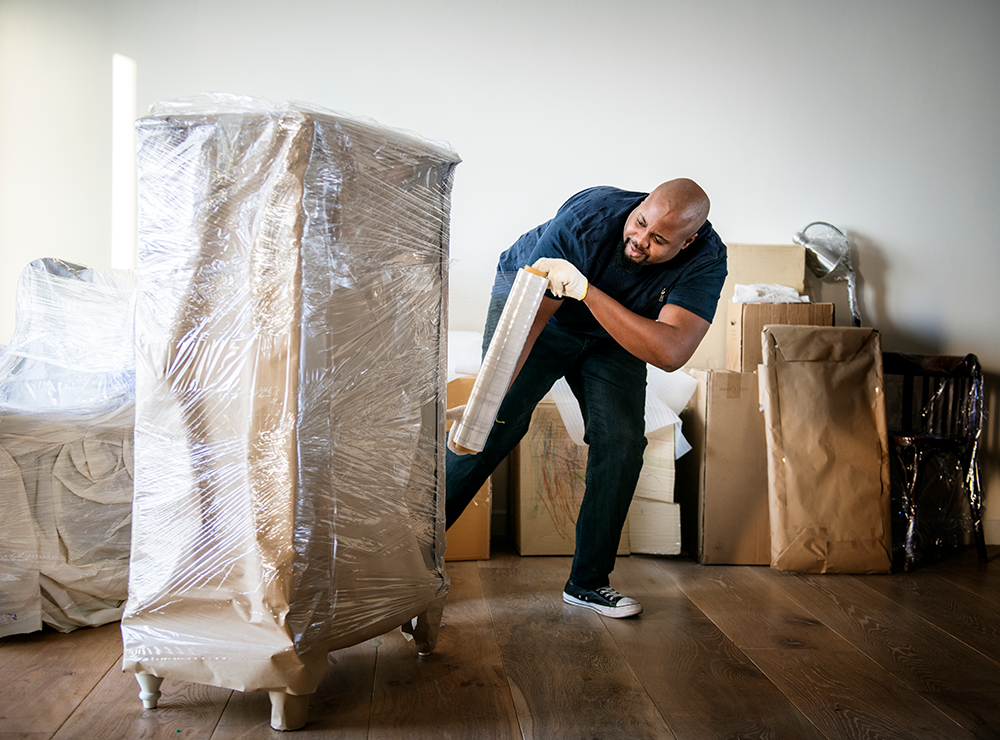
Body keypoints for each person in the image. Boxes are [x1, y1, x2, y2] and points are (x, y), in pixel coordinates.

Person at [446, 179, 727, 618]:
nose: (638, 241)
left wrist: (588, 292)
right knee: (495, 424)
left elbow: (671, 352)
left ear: (688, 241)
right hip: (537, 304)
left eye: (658, 240)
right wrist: (491, 394)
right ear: (640, 205)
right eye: (639, 223)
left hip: (611, 326)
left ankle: (588, 582)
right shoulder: (588, 219)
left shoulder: (707, 259)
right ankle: (409, 563)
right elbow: (534, 319)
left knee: (622, 441)